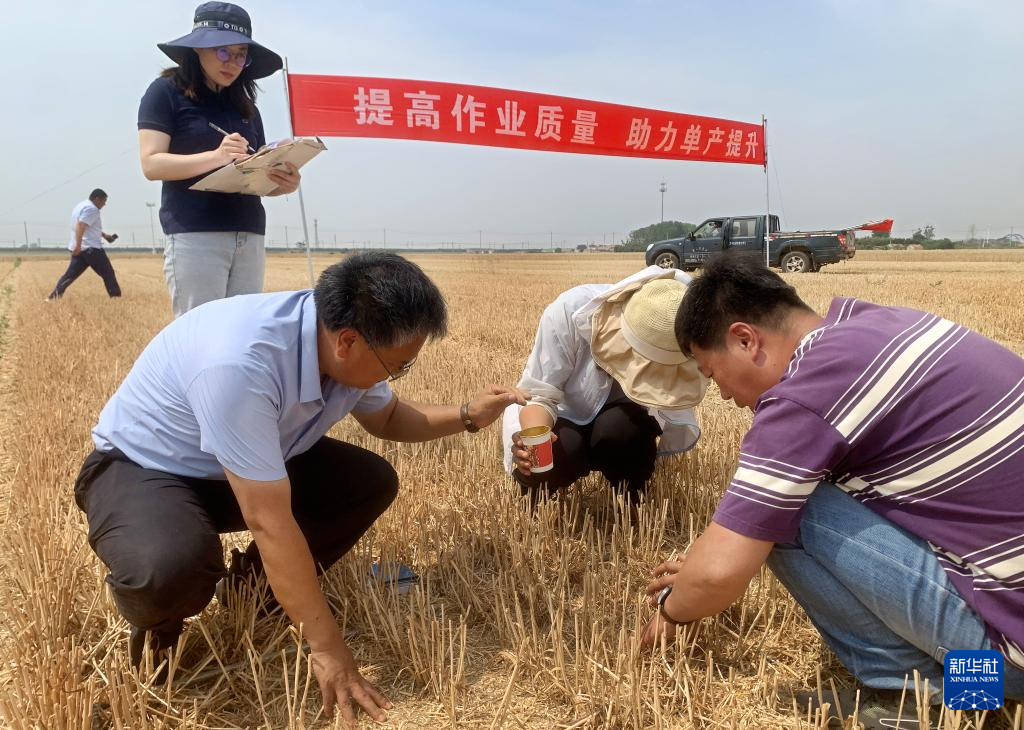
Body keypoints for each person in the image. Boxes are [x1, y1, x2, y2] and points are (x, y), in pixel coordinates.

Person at [73, 252, 526, 723]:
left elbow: (388, 418)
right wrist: (328, 648)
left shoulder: (338, 343)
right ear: (349, 341)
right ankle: (159, 631)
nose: (395, 377)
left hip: (241, 461)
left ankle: (250, 593)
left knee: (368, 482)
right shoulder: (241, 363)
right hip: (146, 469)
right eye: (397, 367)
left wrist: (469, 415)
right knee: (170, 567)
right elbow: (269, 521)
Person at [641, 254, 1024, 725]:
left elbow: (721, 571)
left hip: (1009, 656)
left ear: (745, 339)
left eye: (710, 371)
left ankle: (923, 692)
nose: (721, 393)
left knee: (788, 510)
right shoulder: (878, 324)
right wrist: (713, 561)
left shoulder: (803, 394)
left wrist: (673, 608)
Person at [138, 2, 300, 317]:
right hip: (195, 233)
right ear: (197, 50)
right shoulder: (166, 93)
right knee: (200, 334)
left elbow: (256, 177)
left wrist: (283, 182)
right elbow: (151, 164)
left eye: (241, 54)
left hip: (249, 233)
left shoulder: (246, 107)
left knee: (240, 331)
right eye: (223, 51)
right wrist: (216, 156)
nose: (233, 62)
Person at [503, 266, 706, 503]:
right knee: (563, 448)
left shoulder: (667, 327)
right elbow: (539, 395)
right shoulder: (568, 312)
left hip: (620, 419)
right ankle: (534, 495)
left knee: (622, 431)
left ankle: (631, 499)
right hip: (563, 416)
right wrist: (532, 441)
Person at [47, 189, 122, 300]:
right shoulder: (92, 209)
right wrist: (78, 245)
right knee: (108, 273)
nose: (104, 204)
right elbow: (81, 225)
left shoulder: (81, 206)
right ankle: (116, 298)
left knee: (70, 275)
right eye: (103, 201)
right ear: (97, 199)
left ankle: (53, 298)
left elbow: (87, 226)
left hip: (81, 248)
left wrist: (105, 236)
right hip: (91, 248)